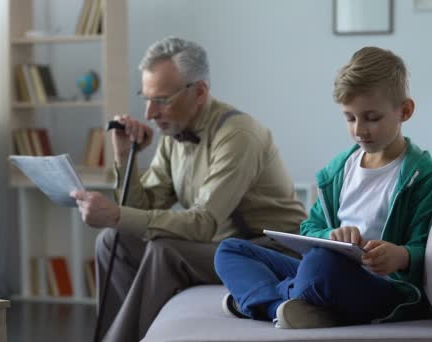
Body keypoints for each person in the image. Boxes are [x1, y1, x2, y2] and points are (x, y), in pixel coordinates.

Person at [70, 36, 306, 341]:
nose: (149, 113)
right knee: (112, 241)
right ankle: (128, 331)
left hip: (266, 251)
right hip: (219, 246)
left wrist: (116, 214)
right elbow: (141, 212)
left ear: (200, 92)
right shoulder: (174, 135)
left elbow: (203, 224)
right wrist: (125, 155)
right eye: (146, 97)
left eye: (162, 100)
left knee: (165, 251)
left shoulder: (238, 136)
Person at [214, 46, 432, 329]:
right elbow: (310, 228)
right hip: (326, 271)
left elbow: (431, 249)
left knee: (320, 266)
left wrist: (401, 256)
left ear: (405, 111)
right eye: (350, 118)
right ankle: (282, 307)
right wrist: (331, 234)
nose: (359, 130)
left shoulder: (422, 176)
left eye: (372, 118)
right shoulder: (339, 170)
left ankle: (257, 300)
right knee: (230, 250)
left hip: (383, 288)